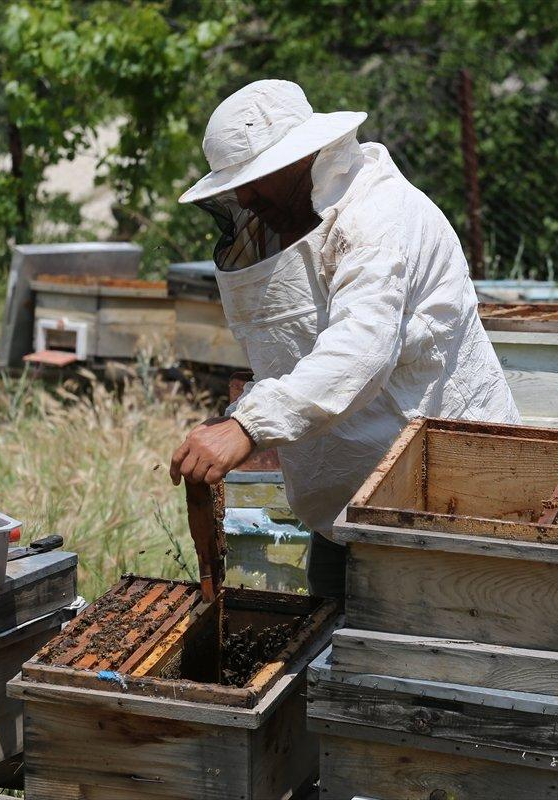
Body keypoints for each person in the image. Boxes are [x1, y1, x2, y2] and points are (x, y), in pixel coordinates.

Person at [170, 79, 520, 598]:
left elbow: (361, 348)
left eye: (254, 180)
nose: (243, 197)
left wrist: (250, 423)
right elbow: (303, 345)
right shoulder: (310, 214)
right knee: (334, 664)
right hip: (350, 509)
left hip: (448, 503)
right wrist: (241, 413)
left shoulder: (377, 216)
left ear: (302, 159)